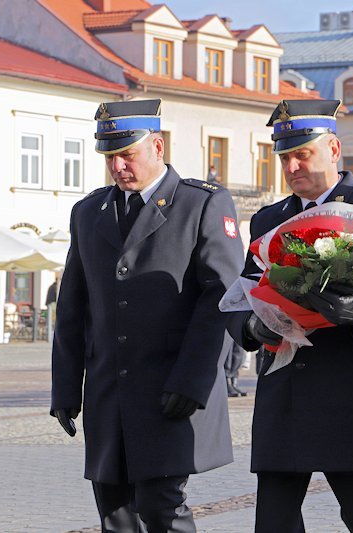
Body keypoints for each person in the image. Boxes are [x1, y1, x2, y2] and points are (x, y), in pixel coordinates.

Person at [225, 99, 353, 533]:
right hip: (286, 389)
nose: (292, 165)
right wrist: (253, 326)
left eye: (303, 153)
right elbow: (243, 293)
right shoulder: (268, 219)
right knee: (274, 522)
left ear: (333, 149)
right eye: (284, 156)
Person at [50, 98, 244, 532]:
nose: (118, 166)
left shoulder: (200, 205)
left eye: (127, 154)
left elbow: (221, 297)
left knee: (162, 509)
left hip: (170, 389)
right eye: (109, 157)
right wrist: (65, 388)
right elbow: (73, 307)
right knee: (115, 515)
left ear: (157, 146)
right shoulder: (88, 212)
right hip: (108, 392)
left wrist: (195, 380)